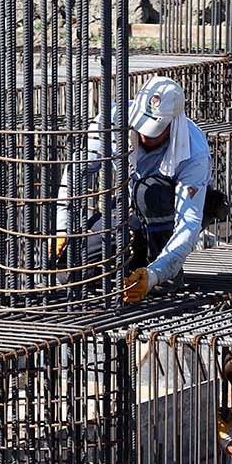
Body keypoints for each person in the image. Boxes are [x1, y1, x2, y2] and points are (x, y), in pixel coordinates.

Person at [58, 75, 213, 304]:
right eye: (142, 126)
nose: (145, 137)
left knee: (148, 191)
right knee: (68, 272)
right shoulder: (109, 122)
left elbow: (188, 224)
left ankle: (165, 272)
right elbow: (76, 173)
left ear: (173, 123)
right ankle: (135, 254)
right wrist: (62, 229)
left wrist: (155, 275)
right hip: (127, 207)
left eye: (155, 131)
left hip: (173, 207)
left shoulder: (194, 151)